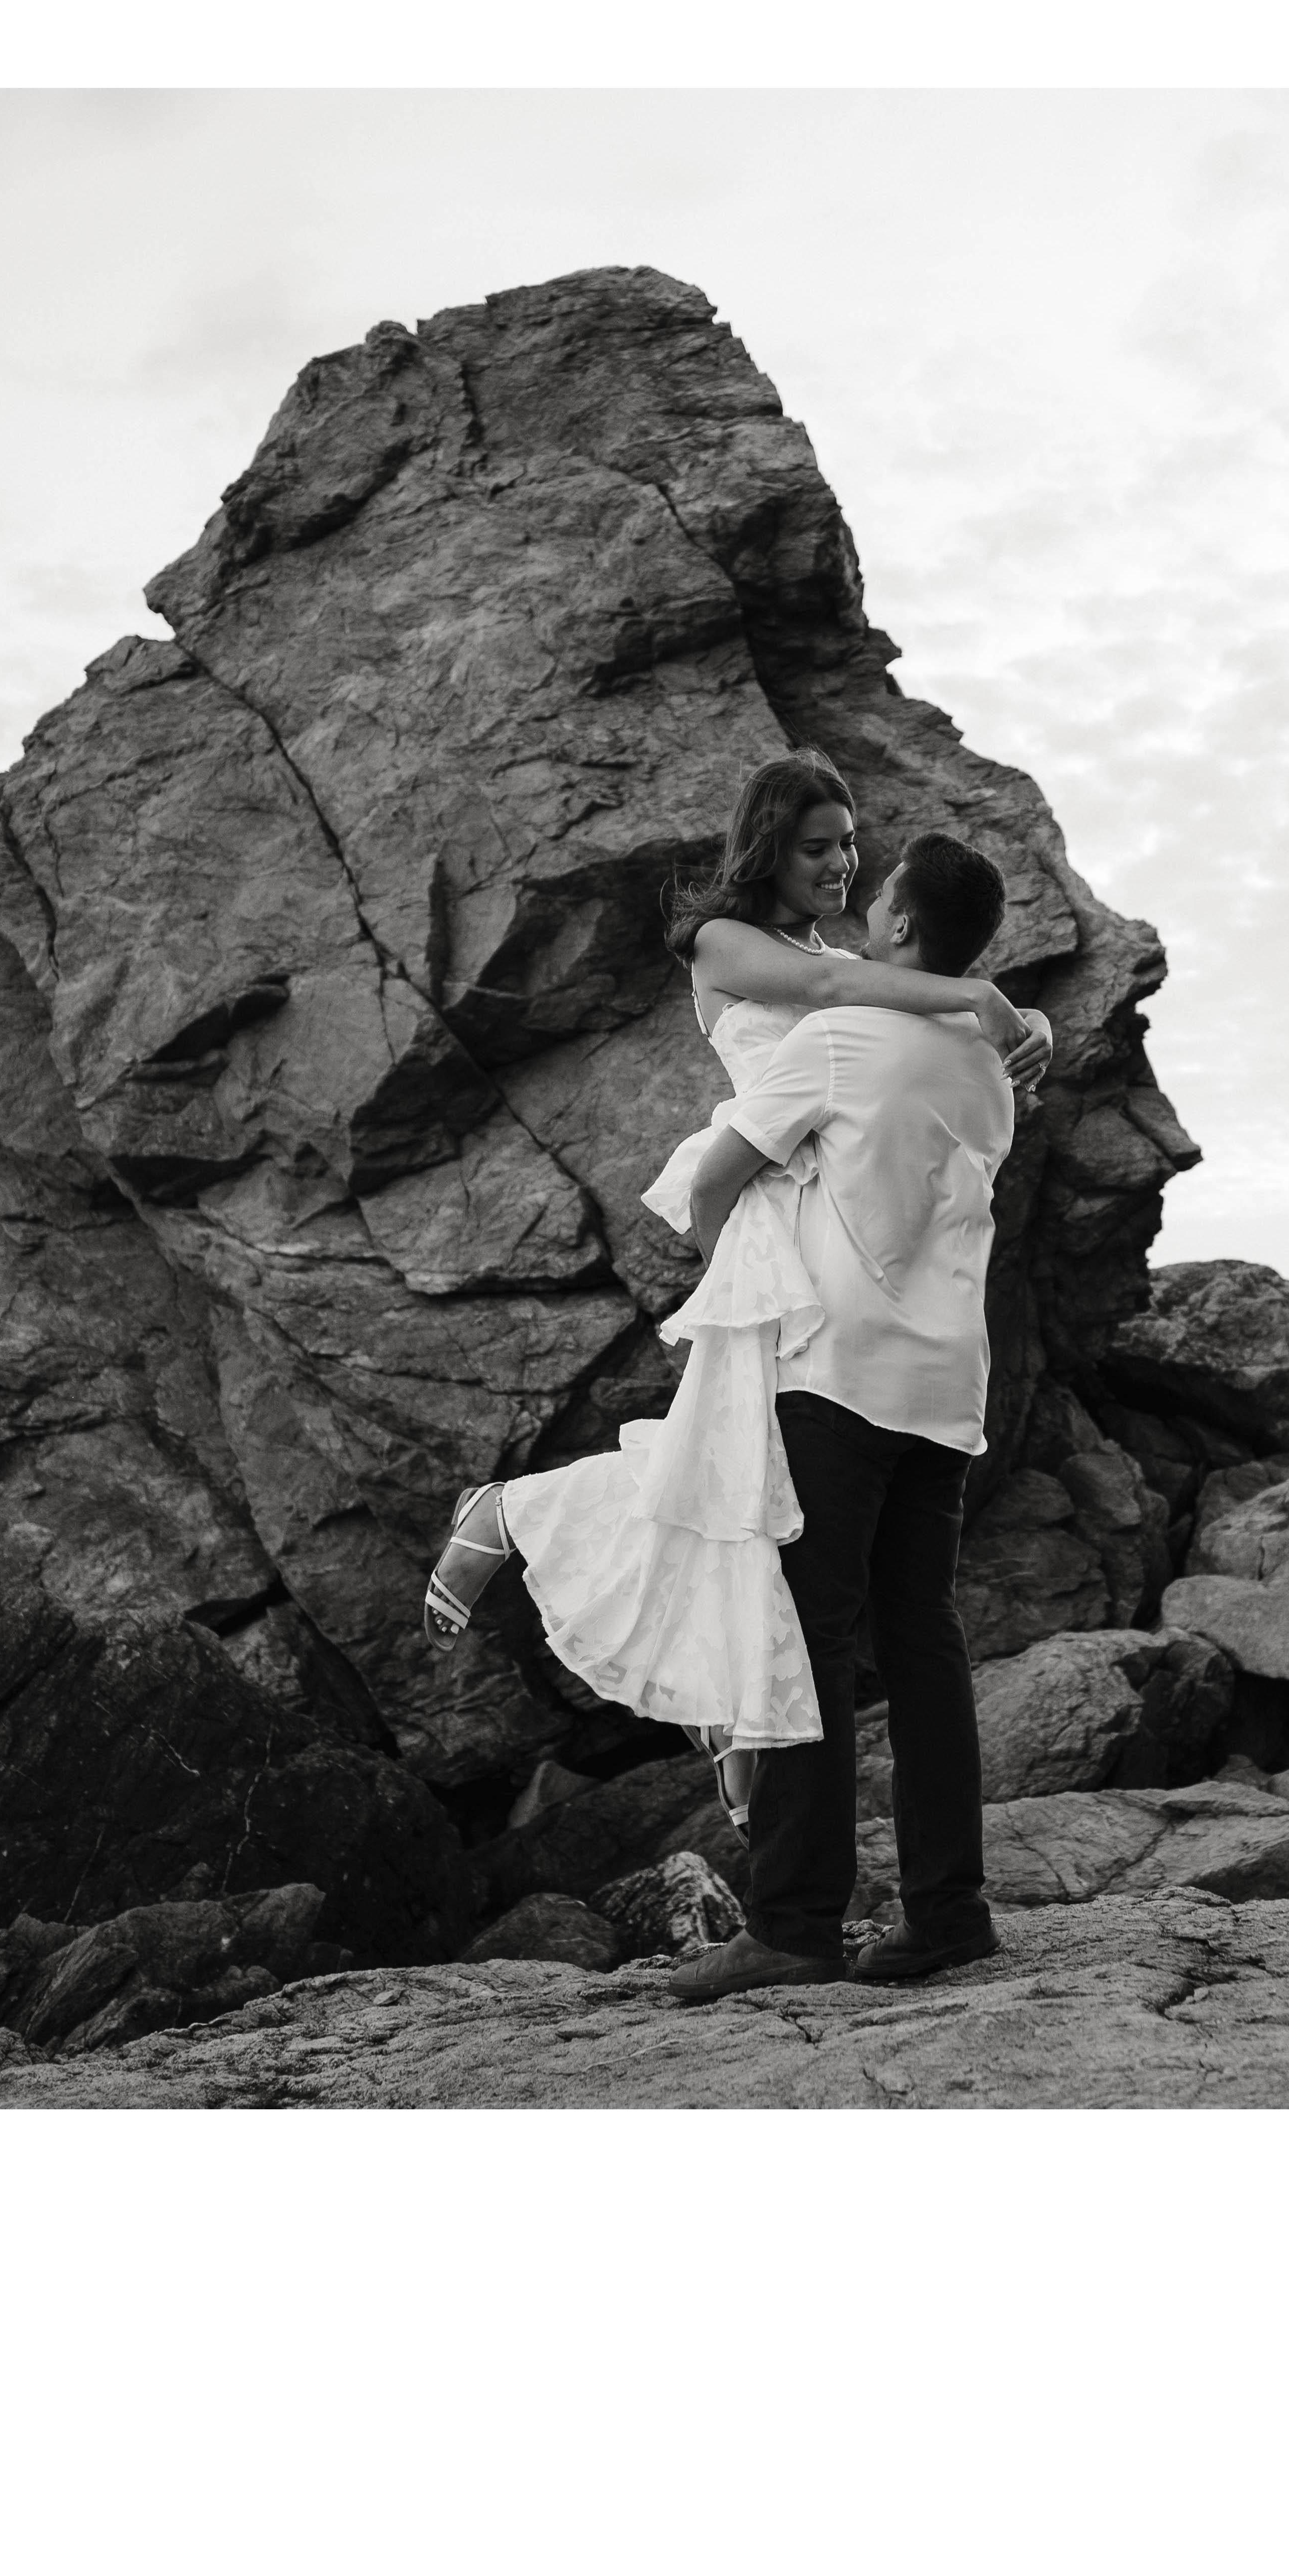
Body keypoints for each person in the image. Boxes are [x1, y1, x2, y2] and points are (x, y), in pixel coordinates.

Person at [420, 749, 1047, 1833]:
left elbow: (899, 1016)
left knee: (739, 1479)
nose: (841, 865)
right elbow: (843, 999)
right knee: (729, 1469)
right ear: (769, 846)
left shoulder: (843, 953)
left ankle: (726, 1708)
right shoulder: (725, 943)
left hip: (830, 1221)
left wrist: (1030, 1026)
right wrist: (985, 998)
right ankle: (526, 1528)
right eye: (816, 847)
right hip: (766, 1222)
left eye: (849, 845)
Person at [662, 828, 1022, 2002]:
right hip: (947, 1384)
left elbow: (715, 1178)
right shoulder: (986, 1070)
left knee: (804, 1641)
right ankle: (950, 1912)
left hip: (834, 1374)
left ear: (904, 928)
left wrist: (735, 1284)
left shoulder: (838, 1039)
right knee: (923, 1641)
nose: (861, 906)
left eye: (881, 898)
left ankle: (795, 1925)